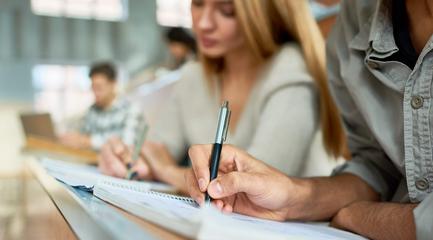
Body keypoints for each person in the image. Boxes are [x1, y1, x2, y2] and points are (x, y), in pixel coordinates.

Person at [185, 0, 433, 240]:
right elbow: (378, 167)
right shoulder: (356, 15)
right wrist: (294, 196)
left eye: (227, 11)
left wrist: (364, 217)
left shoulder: (290, 69)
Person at [99, 0, 345, 192]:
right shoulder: (193, 75)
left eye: (226, 10)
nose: (204, 23)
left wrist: (165, 170)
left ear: (264, 13)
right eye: (197, 4)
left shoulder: (292, 68)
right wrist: (128, 156)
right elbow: (157, 149)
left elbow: (253, 187)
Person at [60, 62, 143, 150]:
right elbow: (83, 136)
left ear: (113, 84)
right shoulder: (91, 111)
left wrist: (89, 141)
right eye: (93, 88)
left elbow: (128, 143)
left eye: (99, 87)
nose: (95, 93)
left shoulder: (131, 111)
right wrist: (75, 139)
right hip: (89, 160)